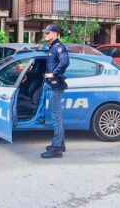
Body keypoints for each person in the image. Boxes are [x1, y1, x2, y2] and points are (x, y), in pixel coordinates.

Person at [40, 24, 70, 159]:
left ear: (55, 33)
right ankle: (60, 144)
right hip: (53, 85)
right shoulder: (52, 47)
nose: (45, 35)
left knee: (56, 118)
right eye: (45, 33)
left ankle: (57, 148)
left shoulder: (59, 47)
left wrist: (53, 74)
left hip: (55, 86)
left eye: (47, 33)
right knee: (58, 117)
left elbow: (65, 62)